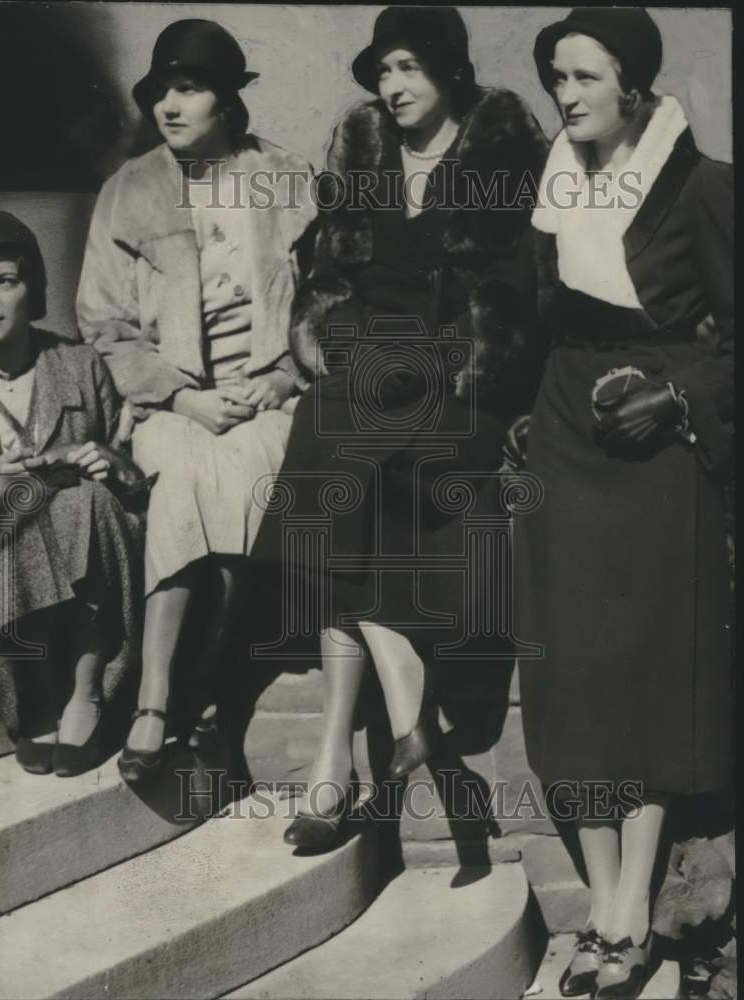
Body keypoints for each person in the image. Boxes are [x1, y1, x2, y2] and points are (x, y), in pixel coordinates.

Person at [252, 6, 548, 850]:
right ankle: (391, 726)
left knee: (362, 474)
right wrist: (346, 345)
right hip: (366, 363)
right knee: (329, 435)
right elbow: (326, 282)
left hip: (461, 380)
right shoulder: (363, 153)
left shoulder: (500, 158)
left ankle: (334, 768)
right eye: (383, 71)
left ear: (450, 70)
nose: (392, 86)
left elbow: (516, 297)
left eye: (409, 67)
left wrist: (442, 363)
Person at [515, 8, 733, 998]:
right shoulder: (552, 187)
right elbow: (530, 325)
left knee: (642, 668)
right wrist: (521, 416)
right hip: (566, 436)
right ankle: (601, 894)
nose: (565, 96)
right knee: (576, 669)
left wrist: (678, 397)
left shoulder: (702, 186)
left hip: (656, 447)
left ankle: (628, 908)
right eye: (556, 77)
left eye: (585, 77)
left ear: (633, 85)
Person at [76, 19, 317, 782]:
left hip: (264, 396)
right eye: (160, 92)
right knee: (181, 477)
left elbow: (328, 302)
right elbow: (103, 325)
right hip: (168, 404)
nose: (169, 107)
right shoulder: (128, 190)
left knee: (245, 474)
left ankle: (205, 688)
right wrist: (182, 398)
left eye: (189, 89)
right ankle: (157, 698)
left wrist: (284, 378)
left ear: (227, 100)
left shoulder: (286, 178)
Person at [0, 209, 144, 778]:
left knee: (89, 499)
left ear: (30, 289)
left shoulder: (80, 365)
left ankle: (86, 691)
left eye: (4, 281)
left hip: (90, 581)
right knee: (11, 509)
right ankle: (31, 696)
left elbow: (136, 491)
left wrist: (110, 463)